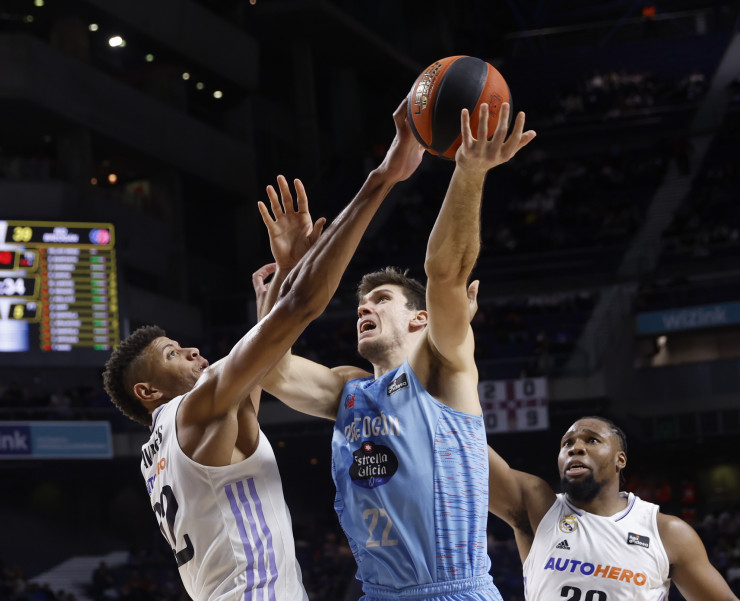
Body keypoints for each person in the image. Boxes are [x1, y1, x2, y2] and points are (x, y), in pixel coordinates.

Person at [102, 99, 426, 601]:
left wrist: (277, 289)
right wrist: (383, 177)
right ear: (147, 390)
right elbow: (303, 309)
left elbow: (261, 373)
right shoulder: (196, 408)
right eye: (171, 353)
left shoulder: (175, 442)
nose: (191, 351)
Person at [256, 102, 535, 601]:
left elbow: (446, 273)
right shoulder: (349, 387)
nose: (365, 307)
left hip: (454, 591)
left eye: (381, 299)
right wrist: (289, 275)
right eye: (361, 303)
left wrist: (469, 171)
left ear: (419, 317)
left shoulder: (443, 366)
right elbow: (269, 370)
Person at [488, 416, 739, 600]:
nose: (575, 447)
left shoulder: (667, 532)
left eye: (592, 440)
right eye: (567, 444)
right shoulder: (538, 508)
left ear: (620, 459)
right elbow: (466, 455)